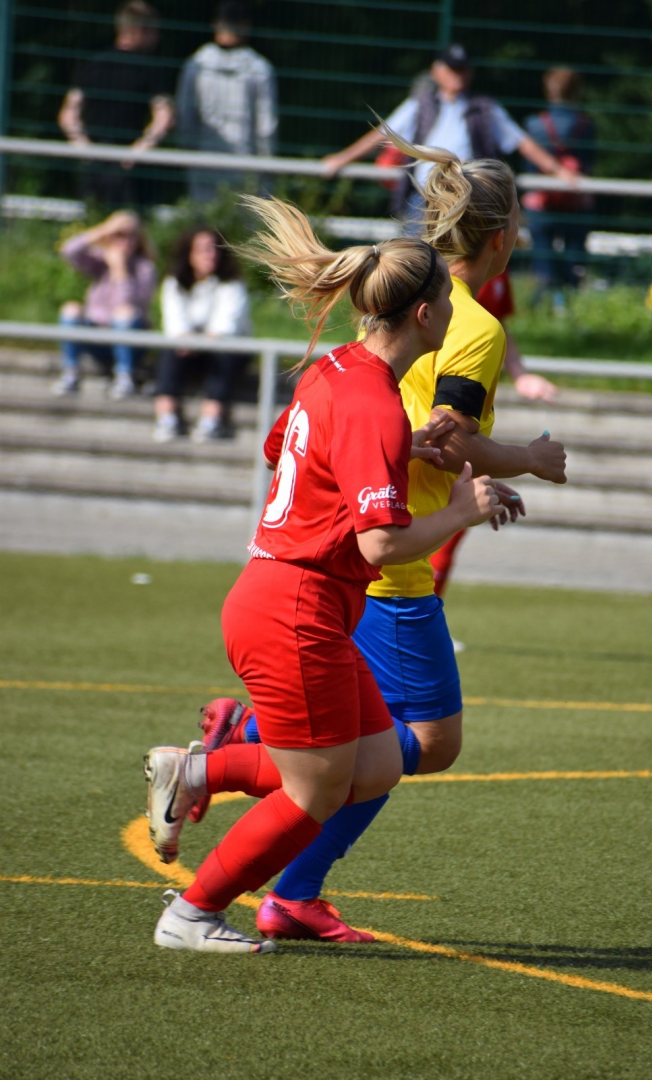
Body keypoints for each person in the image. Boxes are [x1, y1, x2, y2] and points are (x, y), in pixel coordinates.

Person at [190, 134, 568, 944]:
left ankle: (278, 860)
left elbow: (326, 441)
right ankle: (240, 767)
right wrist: (528, 460)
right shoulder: (471, 325)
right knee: (422, 742)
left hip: (338, 556)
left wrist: (405, 453)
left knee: (381, 752)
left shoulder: (362, 335)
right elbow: (453, 440)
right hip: (385, 562)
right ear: (502, 237)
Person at [143, 194, 505, 954]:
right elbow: (381, 546)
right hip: (294, 610)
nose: (454, 310)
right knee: (315, 790)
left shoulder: (335, 367)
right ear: (426, 317)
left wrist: (393, 452)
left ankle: (199, 772)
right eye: (446, 300)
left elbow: (282, 448)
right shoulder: (375, 401)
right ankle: (193, 914)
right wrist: (461, 510)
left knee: (375, 766)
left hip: (282, 596)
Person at [323, 43, 578, 230]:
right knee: (418, 266)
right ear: (436, 71)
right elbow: (381, 134)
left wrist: (558, 170)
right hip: (424, 198)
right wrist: (342, 159)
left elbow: (522, 142)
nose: (458, 75)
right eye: (453, 69)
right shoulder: (420, 104)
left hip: (469, 199)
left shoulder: (485, 108)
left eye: (463, 69)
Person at [430, 272, 559, 598]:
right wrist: (530, 459)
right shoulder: (471, 321)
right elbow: (446, 442)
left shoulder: (488, 292)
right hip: (394, 596)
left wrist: (520, 372)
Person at [57, 1, 174, 207]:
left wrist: (85, 150)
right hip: (130, 170)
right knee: (131, 223)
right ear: (139, 31)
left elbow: (68, 115)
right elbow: (165, 117)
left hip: (95, 165)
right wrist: (138, 152)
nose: (158, 38)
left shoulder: (93, 65)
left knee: (93, 220)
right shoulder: (149, 69)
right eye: (154, 32)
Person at [154, 227, 253, 443]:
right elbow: (175, 326)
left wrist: (193, 340)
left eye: (215, 249)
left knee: (224, 354)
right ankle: (166, 416)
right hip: (190, 350)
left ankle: (211, 419)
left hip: (224, 352)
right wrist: (190, 340)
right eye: (203, 249)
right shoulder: (174, 283)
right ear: (189, 254)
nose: (211, 254)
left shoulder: (233, 284)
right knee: (170, 353)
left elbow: (224, 329)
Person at [176, 1, 278, 203]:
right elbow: (266, 126)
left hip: (204, 162)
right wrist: (266, 166)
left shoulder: (196, 65)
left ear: (215, 24)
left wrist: (188, 154)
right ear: (246, 26)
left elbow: (185, 118)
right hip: (245, 164)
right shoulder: (259, 68)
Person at [53, 211, 156, 399]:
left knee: (124, 313)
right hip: (98, 339)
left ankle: (125, 377)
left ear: (138, 239)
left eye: (130, 236)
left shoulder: (145, 268)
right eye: (119, 235)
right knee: (71, 308)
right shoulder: (101, 261)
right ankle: (71, 373)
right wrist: (103, 230)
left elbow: (125, 306)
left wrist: (120, 270)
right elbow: (68, 251)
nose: (125, 241)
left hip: (131, 341)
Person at [522, 68, 596, 297]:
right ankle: (567, 303)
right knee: (573, 264)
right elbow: (588, 165)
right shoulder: (586, 126)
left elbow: (530, 167)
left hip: (541, 203)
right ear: (576, 92)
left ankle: (543, 303)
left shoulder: (534, 124)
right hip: (576, 202)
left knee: (543, 263)